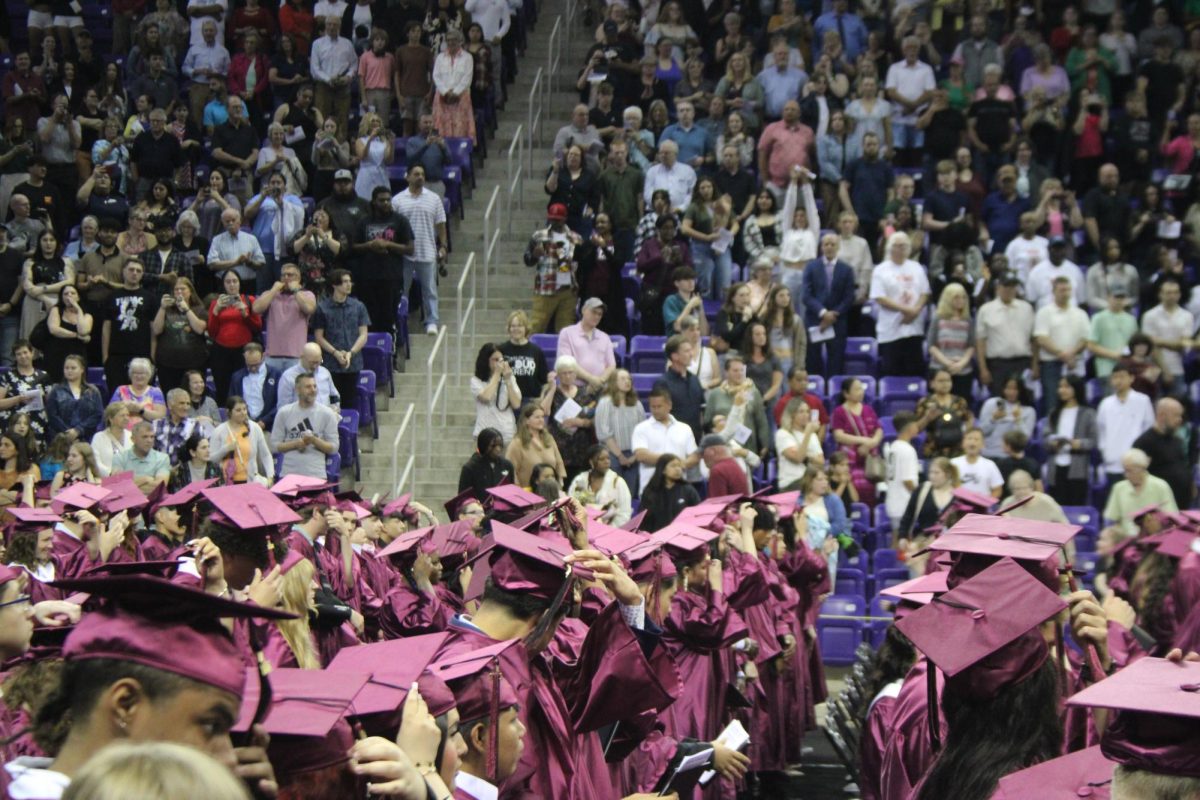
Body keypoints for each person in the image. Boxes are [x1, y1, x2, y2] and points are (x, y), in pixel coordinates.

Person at [870, 232, 930, 377]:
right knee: (892, 373)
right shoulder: (880, 270)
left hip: (914, 328)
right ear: (889, 248)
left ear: (908, 248)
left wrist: (915, 311)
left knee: (914, 373)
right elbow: (879, 297)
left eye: (903, 246)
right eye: (896, 246)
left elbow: (925, 293)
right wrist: (906, 310)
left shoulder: (917, 267)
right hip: (891, 331)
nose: (899, 249)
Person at [801, 231, 855, 375]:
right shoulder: (811, 267)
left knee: (836, 364)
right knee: (812, 363)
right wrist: (824, 313)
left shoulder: (847, 270)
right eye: (826, 244)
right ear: (821, 247)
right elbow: (806, 295)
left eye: (833, 244)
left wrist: (833, 315)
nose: (829, 247)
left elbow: (849, 297)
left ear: (838, 247)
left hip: (838, 322)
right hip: (814, 320)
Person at [523, 204, 583, 335]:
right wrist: (534, 255)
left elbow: (581, 263)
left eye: (558, 219)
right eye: (552, 219)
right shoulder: (539, 236)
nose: (554, 222)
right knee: (536, 327)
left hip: (567, 289)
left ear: (565, 218)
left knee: (566, 331)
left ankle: (564, 356)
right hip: (545, 289)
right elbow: (527, 260)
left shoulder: (576, 238)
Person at [1033, 275, 1091, 409]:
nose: (1065, 293)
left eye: (1068, 290)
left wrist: (1072, 353)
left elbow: (1086, 339)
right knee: (1053, 402)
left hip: (1075, 363)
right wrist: (1062, 354)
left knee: (1076, 402)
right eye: (1062, 290)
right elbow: (1041, 338)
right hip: (1051, 364)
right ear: (1053, 292)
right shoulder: (1044, 312)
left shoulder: (1080, 314)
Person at [206, 270, 261, 405]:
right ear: (223, 284)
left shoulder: (250, 300)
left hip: (243, 350)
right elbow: (212, 332)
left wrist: (245, 313)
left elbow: (258, 327)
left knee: (243, 386)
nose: (231, 285)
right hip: (221, 351)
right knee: (222, 387)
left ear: (240, 283)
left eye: (235, 281)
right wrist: (216, 311)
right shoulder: (216, 302)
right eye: (228, 282)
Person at [975, 273, 1036, 395]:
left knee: (1025, 399)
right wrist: (983, 369)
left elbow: (1033, 339)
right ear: (998, 287)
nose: (1009, 290)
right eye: (1006, 286)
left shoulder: (1027, 308)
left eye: (1012, 287)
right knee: (999, 400)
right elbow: (981, 341)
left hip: (1023, 362)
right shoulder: (986, 310)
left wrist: (1035, 365)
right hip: (998, 364)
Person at [1096, 364, 1155, 487]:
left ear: (1131, 378)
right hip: (1112, 462)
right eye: (1114, 377)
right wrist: (1105, 451)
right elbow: (1100, 431)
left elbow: (1148, 429)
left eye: (1122, 377)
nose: (1118, 381)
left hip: (1136, 462)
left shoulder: (1142, 400)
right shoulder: (1105, 404)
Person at [270, 372, 338, 479]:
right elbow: (274, 446)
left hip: (316, 475)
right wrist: (295, 444)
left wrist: (314, 440)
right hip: (288, 476)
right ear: (297, 390)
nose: (313, 390)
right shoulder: (284, 412)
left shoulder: (327, 413)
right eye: (308, 387)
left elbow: (334, 448)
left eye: (315, 386)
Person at [249, 262, 315, 374]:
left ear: (298, 278)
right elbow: (256, 309)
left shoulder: (307, 294)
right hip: (272, 356)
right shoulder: (271, 294)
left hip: (297, 357)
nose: (286, 278)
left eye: (290, 275)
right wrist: (274, 290)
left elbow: (309, 308)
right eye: (283, 275)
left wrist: (296, 291)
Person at [1132, 397, 1194, 510]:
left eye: (1181, 416)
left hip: (1182, 505)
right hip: (1159, 507)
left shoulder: (1177, 440)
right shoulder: (1143, 443)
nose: (1180, 420)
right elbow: (1137, 476)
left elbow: (1183, 466)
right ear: (1161, 415)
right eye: (1176, 415)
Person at [1102, 448, 1178, 540]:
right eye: (1125, 470)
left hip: (1154, 539)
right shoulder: (1119, 488)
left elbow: (1172, 518)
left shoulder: (1161, 486)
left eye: (1129, 471)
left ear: (1141, 469)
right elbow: (1110, 520)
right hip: (1126, 541)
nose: (1126, 475)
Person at [831, 376, 882, 504]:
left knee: (872, 492)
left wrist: (873, 442)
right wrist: (864, 441)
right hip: (850, 462)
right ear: (846, 393)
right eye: (857, 389)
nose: (861, 391)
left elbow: (878, 429)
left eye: (861, 388)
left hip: (869, 463)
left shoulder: (868, 409)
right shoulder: (839, 411)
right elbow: (839, 435)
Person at [1140, 278, 1193, 394]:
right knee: (1155, 405)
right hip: (1154, 368)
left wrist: (1160, 341)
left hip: (1178, 367)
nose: (1172, 296)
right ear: (1160, 294)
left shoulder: (1187, 316)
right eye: (1168, 292)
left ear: (1179, 294)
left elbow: (1184, 344)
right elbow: (1150, 345)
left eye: (1175, 292)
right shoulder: (1149, 316)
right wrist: (1165, 371)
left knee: (1178, 405)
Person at [209, 395, 274, 485]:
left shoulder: (254, 428)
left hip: (250, 481)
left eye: (244, 409)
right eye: (238, 410)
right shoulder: (219, 431)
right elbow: (211, 459)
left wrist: (270, 476)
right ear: (229, 412)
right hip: (227, 483)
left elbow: (266, 454)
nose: (243, 413)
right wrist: (225, 449)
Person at [567, 444, 633, 526]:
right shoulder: (579, 480)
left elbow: (625, 513)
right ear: (591, 462)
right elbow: (570, 507)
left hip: (612, 531)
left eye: (608, 458)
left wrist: (609, 530)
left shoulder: (618, 482)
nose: (607, 462)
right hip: (583, 529)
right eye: (602, 459)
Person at [914, 369, 974, 458]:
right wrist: (927, 418)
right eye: (941, 381)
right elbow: (916, 428)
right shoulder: (925, 403)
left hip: (957, 449)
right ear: (932, 383)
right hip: (933, 449)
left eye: (948, 380)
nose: (945, 384)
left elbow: (969, 419)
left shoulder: (960, 401)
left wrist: (966, 436)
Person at [896, 456, 959, 543]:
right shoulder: (922, 490)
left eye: (936, 473)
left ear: (948, 474)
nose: (932, 476)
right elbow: (908, 515)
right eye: (930, 472)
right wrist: (902, 536)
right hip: (922, 542)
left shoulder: (958, 496)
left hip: (948, 544)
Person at [654, 334, 704, 440]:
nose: (691, 354)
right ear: (675, 356)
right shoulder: (662, 383)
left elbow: (701, 410)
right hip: (672, 439)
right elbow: (660, 414)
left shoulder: (695, 379)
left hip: (696, 439)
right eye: (687, 351)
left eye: (691, 350)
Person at [45, 354, 104, 443]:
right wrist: (68, 433)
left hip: (87, 439)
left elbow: (98, 414)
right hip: (61, 440)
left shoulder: (93, 391)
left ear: (82, 370)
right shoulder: (56, 390)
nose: (69, 371)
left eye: (73, 368)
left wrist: (78, 430)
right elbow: (52, 415)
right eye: (66, 368)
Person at [504, 403, 565, 487]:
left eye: (542, 417)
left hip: (551, 491)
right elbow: (511, 470)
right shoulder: (517, 443)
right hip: (527, 493)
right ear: (526, 421)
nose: (541, 420)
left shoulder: (549, 439)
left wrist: (560, 481)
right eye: (537, 417)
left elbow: (559, 462)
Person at [431, 27, 475, 143]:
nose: (451, 42)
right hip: (442, 98)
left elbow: (467, 78)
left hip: (461, 97)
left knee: (460, 128)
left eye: (454, 39)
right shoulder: (440, 57)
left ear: (460, 41)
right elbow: (436, 76)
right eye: (449, 40)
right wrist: (445, 92)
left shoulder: (467, 57)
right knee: (442, 129)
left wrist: (455, 93)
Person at [471, 343, 521, 444]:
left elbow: (516, 404)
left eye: (501, 359)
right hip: (485, 434)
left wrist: (508, 380)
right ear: (486, 361)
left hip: (507, 434)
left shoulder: (510, 378)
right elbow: (486, 397)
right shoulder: (476, 380)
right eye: (495, 359)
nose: (499, 363)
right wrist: (497, 374)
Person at [639, 453, 699, 531]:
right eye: (673, 466)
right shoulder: (650, 492)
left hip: (682, 536)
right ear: (663, 470)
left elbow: (697, 515)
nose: (678, 469)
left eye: (679, 466)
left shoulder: (688, 490)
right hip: (657, 538)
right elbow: (644, 520)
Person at [229, 343, 280, 430]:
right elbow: (231, 402)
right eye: (249, 365)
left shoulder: (275, 374)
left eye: (256, 365)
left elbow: (281, 403)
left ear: (263, 356)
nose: (253, 368)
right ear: (244, 357)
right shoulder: (237, 377)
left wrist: (265, 421)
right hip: (243, 426)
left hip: (269, 427)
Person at [112, 420, 170, 493]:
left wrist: (129, 484)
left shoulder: (163, 458)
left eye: (152, 437)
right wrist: (145, 479)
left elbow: (160, 487)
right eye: (145, 437)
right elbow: (117, 488)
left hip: (153, 502)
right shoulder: (119, 458)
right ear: (133, 439)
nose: (149, 440)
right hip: (127, 503)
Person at [458, 427, 516, 498]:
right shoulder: (470, 468)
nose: (498, 449)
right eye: (493, 446)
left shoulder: (507, 465)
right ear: (483, 445)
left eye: (500, 445)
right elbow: (462, 497)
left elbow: (511, 492)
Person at [279, 342, 340, 408]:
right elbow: (283, 407)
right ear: (302, 357)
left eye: (317, 362)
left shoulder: (325, 373)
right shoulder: (288, 376)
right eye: (312, 363)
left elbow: (334, 396)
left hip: (325, 416)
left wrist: (335, 408)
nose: (315, 366)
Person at [950, 428, 1005, 498]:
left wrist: (987, 503)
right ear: (963, 443)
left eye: (976, 439)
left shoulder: (990, 465)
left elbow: (997, 489)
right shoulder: (953, 463)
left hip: (982, 507)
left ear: (982, 444)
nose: (972, 443)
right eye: (969, 438)